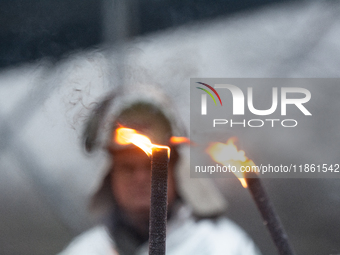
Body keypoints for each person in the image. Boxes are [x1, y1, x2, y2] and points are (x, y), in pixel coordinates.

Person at [57, 86, 261, 255]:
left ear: (175, 172)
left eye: (152, 166)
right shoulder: (84, 251)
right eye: (128, 168)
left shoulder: (223, 247)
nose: (141, 177)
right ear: (110, 177)